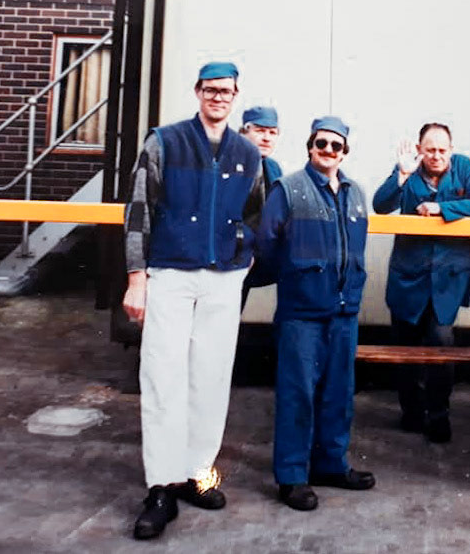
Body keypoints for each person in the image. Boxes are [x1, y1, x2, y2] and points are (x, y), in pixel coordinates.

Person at [122, 61, 261, 540]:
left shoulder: (247, 152)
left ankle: (198, 472)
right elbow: (138, 210)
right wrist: (136, 278)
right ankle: (161, 485)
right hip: (171, 273)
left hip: (222, 278)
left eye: (226, 91)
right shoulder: (164, 142)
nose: (218, 97)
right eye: (210, 89)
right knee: (163, 376)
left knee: (211, 377)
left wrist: (244, 256)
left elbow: (255, 212)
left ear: (236, 96)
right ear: (198, 92)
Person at [257, 115, 375, 511]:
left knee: (339, 393)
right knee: (298, 394)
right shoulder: (288, 189)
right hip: (302, 314)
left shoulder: (356, 193)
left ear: (345, 152)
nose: (328, 150)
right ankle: (292, 476)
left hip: (344, 311)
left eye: (335, 145)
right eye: (321, 143)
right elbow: (267, 246)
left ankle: (330, 465)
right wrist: (299, 281)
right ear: (310, 147)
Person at [372, 123, 470, 442]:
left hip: (447, 277)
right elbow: (380, 205)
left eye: (442, 150)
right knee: (405, 345)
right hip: (408, 275)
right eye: (430, 150)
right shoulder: (408, 167)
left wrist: (442, 208)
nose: (436, 156)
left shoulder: (463, 167)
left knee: (441, 341)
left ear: (451, 150)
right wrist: (401, 175)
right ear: (419, 149)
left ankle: (439, 414)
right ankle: (411, 411)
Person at [239, 105, 283, 307]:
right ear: (243, 132)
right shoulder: (228, 163)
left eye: (272, 133)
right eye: (260, 131)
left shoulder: (273, 167)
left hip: (256, 256)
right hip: (229, 255)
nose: (266, 138)